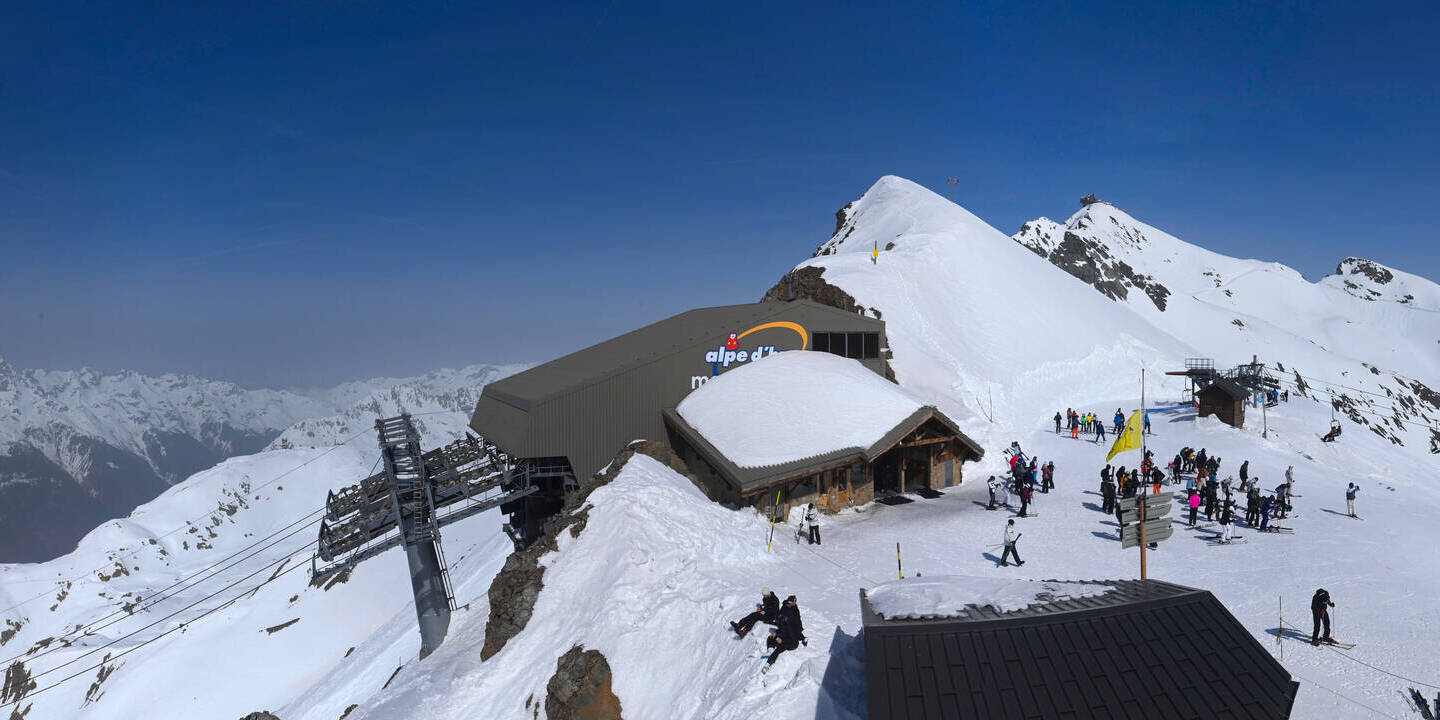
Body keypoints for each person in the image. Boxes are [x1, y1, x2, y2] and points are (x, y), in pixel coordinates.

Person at [763, 595, 806, 670]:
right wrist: (776, 633)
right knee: (771, 638)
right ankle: (770, 651)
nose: (789, 604)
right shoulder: (783, 619)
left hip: (792, 642)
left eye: (791, 603)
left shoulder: (792, 623)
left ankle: (769, 664)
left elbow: (793, 637)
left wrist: (782, 640)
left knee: (779, 648)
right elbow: (782, 628)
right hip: (786, 633)